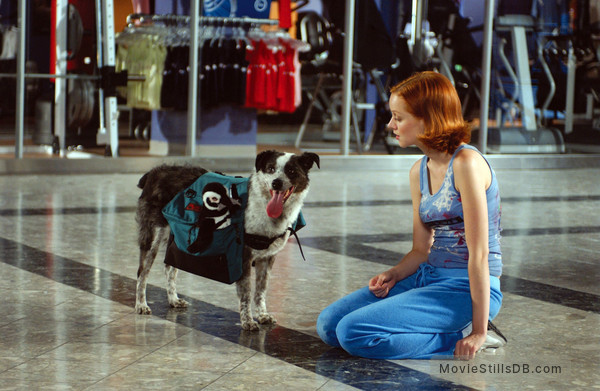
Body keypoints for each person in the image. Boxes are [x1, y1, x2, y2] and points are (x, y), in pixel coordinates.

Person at [316, 71, 506, 360]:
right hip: (427, 276)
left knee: (352, 333)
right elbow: (420, 250)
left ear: (428, 119)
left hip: (465, 288)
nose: (391, 125)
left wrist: (477, 332)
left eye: (398, 117)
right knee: (329, 326)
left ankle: (464, 332)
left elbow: (479, 256)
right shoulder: (418, 170)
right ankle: (442, 329)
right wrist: (395, 273)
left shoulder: (467, 163)